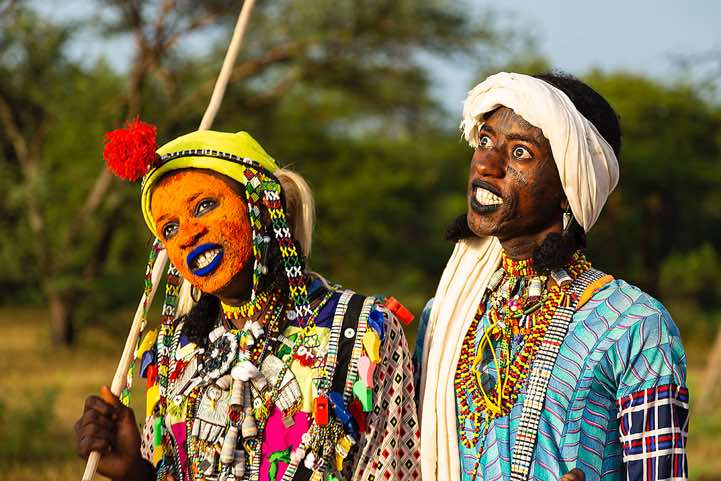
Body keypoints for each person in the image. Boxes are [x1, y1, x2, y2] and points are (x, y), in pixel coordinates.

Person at [74, 124, 420, 481]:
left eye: (205, 205)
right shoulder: (170, 355)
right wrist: (136, 473)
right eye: (170, 229)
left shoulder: (361, 332)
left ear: (269, 206)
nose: (189, 235)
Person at [414, 72, 688, 481]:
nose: (486, 164)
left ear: (569, 188)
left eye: (520, 152)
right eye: (485, 141)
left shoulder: (634, 326)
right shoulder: (444, 315)